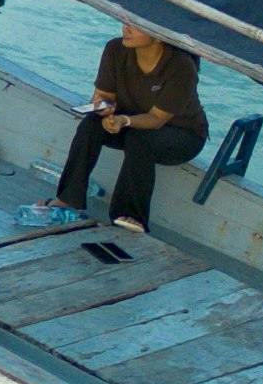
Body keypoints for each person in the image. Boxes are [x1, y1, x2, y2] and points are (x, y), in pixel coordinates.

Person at [26, 21, 206, 232]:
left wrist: (124, 121)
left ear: (158, 35)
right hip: (130, 121)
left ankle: (131, 216)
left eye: (135, 25)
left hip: (182, 134)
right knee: (91, 124)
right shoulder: (115, 49)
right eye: (125, 22)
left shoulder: (181, 66)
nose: (125, 29)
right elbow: (104, 96)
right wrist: (103, 108)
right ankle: (68, 199)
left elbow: (157, 119)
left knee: (139, 138)